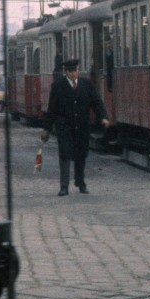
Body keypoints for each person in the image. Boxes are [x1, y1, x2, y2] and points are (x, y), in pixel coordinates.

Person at [41, 58, 110, 197]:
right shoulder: (58, 86)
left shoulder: (86, 84)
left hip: (82, 126)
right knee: (65, 155)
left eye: (76, 70)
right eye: (71, 71)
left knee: (81, 155)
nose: (74, 73)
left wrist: (103, 116)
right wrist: (46, 128)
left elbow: (96, 102)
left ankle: (80, 182)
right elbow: (52, 108)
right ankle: (64, 186)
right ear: (66, 72)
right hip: (64, 127)